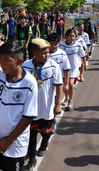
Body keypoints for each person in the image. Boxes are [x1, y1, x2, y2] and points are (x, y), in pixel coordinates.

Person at [0, 40, 38, 171]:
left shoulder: (30, 83)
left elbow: (28, 116)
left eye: (7, 60)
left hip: (15, 143)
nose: (2, 63)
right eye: (0, 59)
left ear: (20, 61)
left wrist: (10, 139)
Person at [22, 38, 63, 170]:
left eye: (48, 52)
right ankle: (32, 159)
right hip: (31, 109)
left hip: (47, 108)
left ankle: (44, 144)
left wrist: (58, 104)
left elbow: (59, 86)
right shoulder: (26, 66)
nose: (47, 55)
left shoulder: (53, 65)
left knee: (45, 132)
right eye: (44, 53)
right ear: (35, 53)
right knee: (31, 134)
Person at [59, 28, 86, 110]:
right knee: (65, 84)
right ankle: (66, 98)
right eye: (70, 36)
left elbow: (83, 56)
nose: (72, 38)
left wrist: (84, 65)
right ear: (66, 37)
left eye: (73, 36)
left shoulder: (78, 45)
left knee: (70, 84)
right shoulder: (61, 45)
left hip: (74, 68)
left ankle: (70, 100)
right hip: (64, 69)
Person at [48, 33, 71, 103]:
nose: (54, 46)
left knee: (56, 101)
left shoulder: (62, 53)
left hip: (58, 82)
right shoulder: (43, 53)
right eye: (51, 43)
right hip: (47, 82)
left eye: (56, 44)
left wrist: (66, 84)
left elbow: (66, 70)